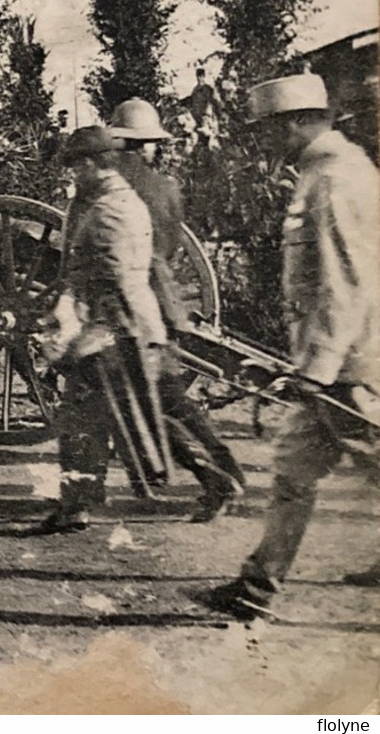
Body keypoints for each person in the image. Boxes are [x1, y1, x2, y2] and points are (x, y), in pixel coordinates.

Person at [200, 74, 380, 621]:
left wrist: (319, 367)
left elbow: (344, 280)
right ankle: (256, 586)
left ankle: (257, 585)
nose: (262, 142)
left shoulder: (334, 181)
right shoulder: (326, 172)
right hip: (333, 361)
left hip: (349, 363)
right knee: (291, 472)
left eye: (268, 130)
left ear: (298, 122)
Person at [108, 98, 245, 521]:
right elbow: (169, 243)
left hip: (125, 304)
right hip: (163, 301)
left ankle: (214, 477)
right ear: (148, 145)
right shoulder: (165, 186)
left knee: (137, 400)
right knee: (168, 396)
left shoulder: (110, 184)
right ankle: (223, 468)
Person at [28, 126, 168, 535]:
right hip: (120, 327)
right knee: (89, 422)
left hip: (112, 330)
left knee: (79, 422)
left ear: (90, 165)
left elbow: (113, 282)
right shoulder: (119, 200)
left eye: (75, 167)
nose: (73, 175)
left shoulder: (109, 210)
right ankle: (78, 503)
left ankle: (76, 506)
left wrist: (83, 336)